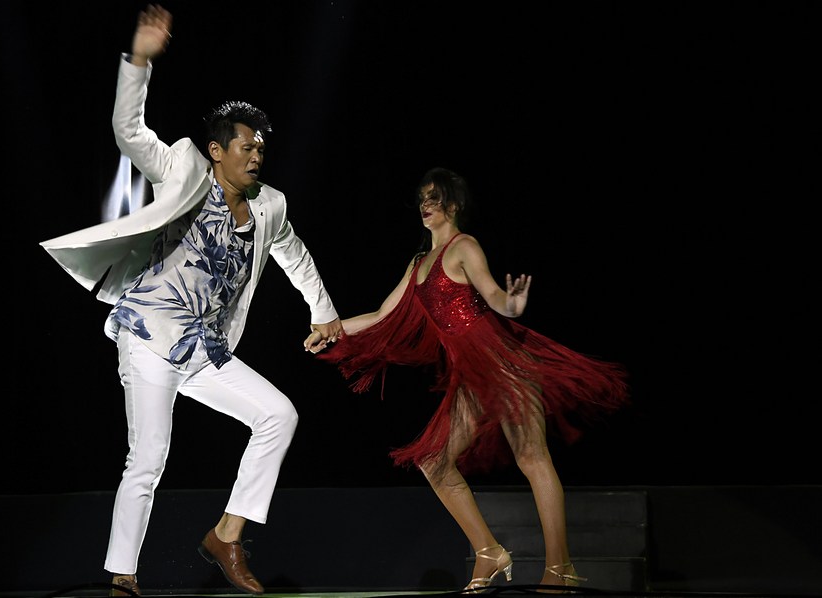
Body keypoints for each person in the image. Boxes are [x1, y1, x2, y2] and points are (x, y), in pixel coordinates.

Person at [40, 5, 342, 596]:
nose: (257, 154)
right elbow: (129, 134)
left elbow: (295, 254)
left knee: (278, 415)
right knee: (148, 458)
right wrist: (139, 62)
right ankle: (122, 577)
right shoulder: (183, 167)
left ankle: (226, 535)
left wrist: (322, 309)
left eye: (262, 147)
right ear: (216, 150)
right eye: (246, 147)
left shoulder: (269, 206)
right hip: (150, 332)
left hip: (203, 346)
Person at [305, 167, 630, 593]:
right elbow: (383, 314)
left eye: (435, 198)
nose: (426, 204)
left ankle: (559, 568)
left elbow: (496, 299)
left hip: (504, 364)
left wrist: (513, 305)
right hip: (472, 377)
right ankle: (489, 552)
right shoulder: (419, 262)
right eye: (422, 197)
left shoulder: (464, 248)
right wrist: (332, 329)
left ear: (453, 206)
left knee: (531, 457)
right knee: (434, 463)